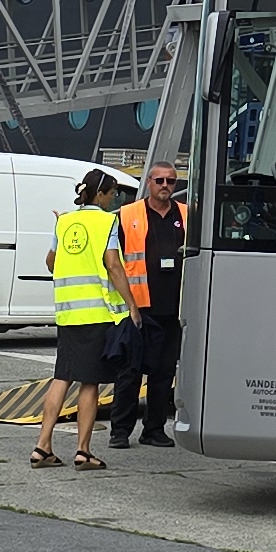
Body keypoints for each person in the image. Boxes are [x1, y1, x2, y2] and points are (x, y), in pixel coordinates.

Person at [31, 169, 131, 474]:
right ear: (101, 194)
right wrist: (132, 305)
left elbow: (50, 262)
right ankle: (83, 452)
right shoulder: (107, 221)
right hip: (97, 314)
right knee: (90, 382)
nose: (114, 199)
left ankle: (42, 446)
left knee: (62, 376)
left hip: (68, 312)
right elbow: (113, 265)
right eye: (113, 193)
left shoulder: (63, 221)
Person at [106, 158, 189, 449]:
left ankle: (153, 429)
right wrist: (128, 305)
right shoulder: (128, 215)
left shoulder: (187, 215)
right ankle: (120, 431)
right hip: (139, 308)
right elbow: (113, 261)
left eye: (171, 181)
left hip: (174, 309)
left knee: (163, 373)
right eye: (160, 181)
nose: (165, 186)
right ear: (149, 183)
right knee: (130, 372)